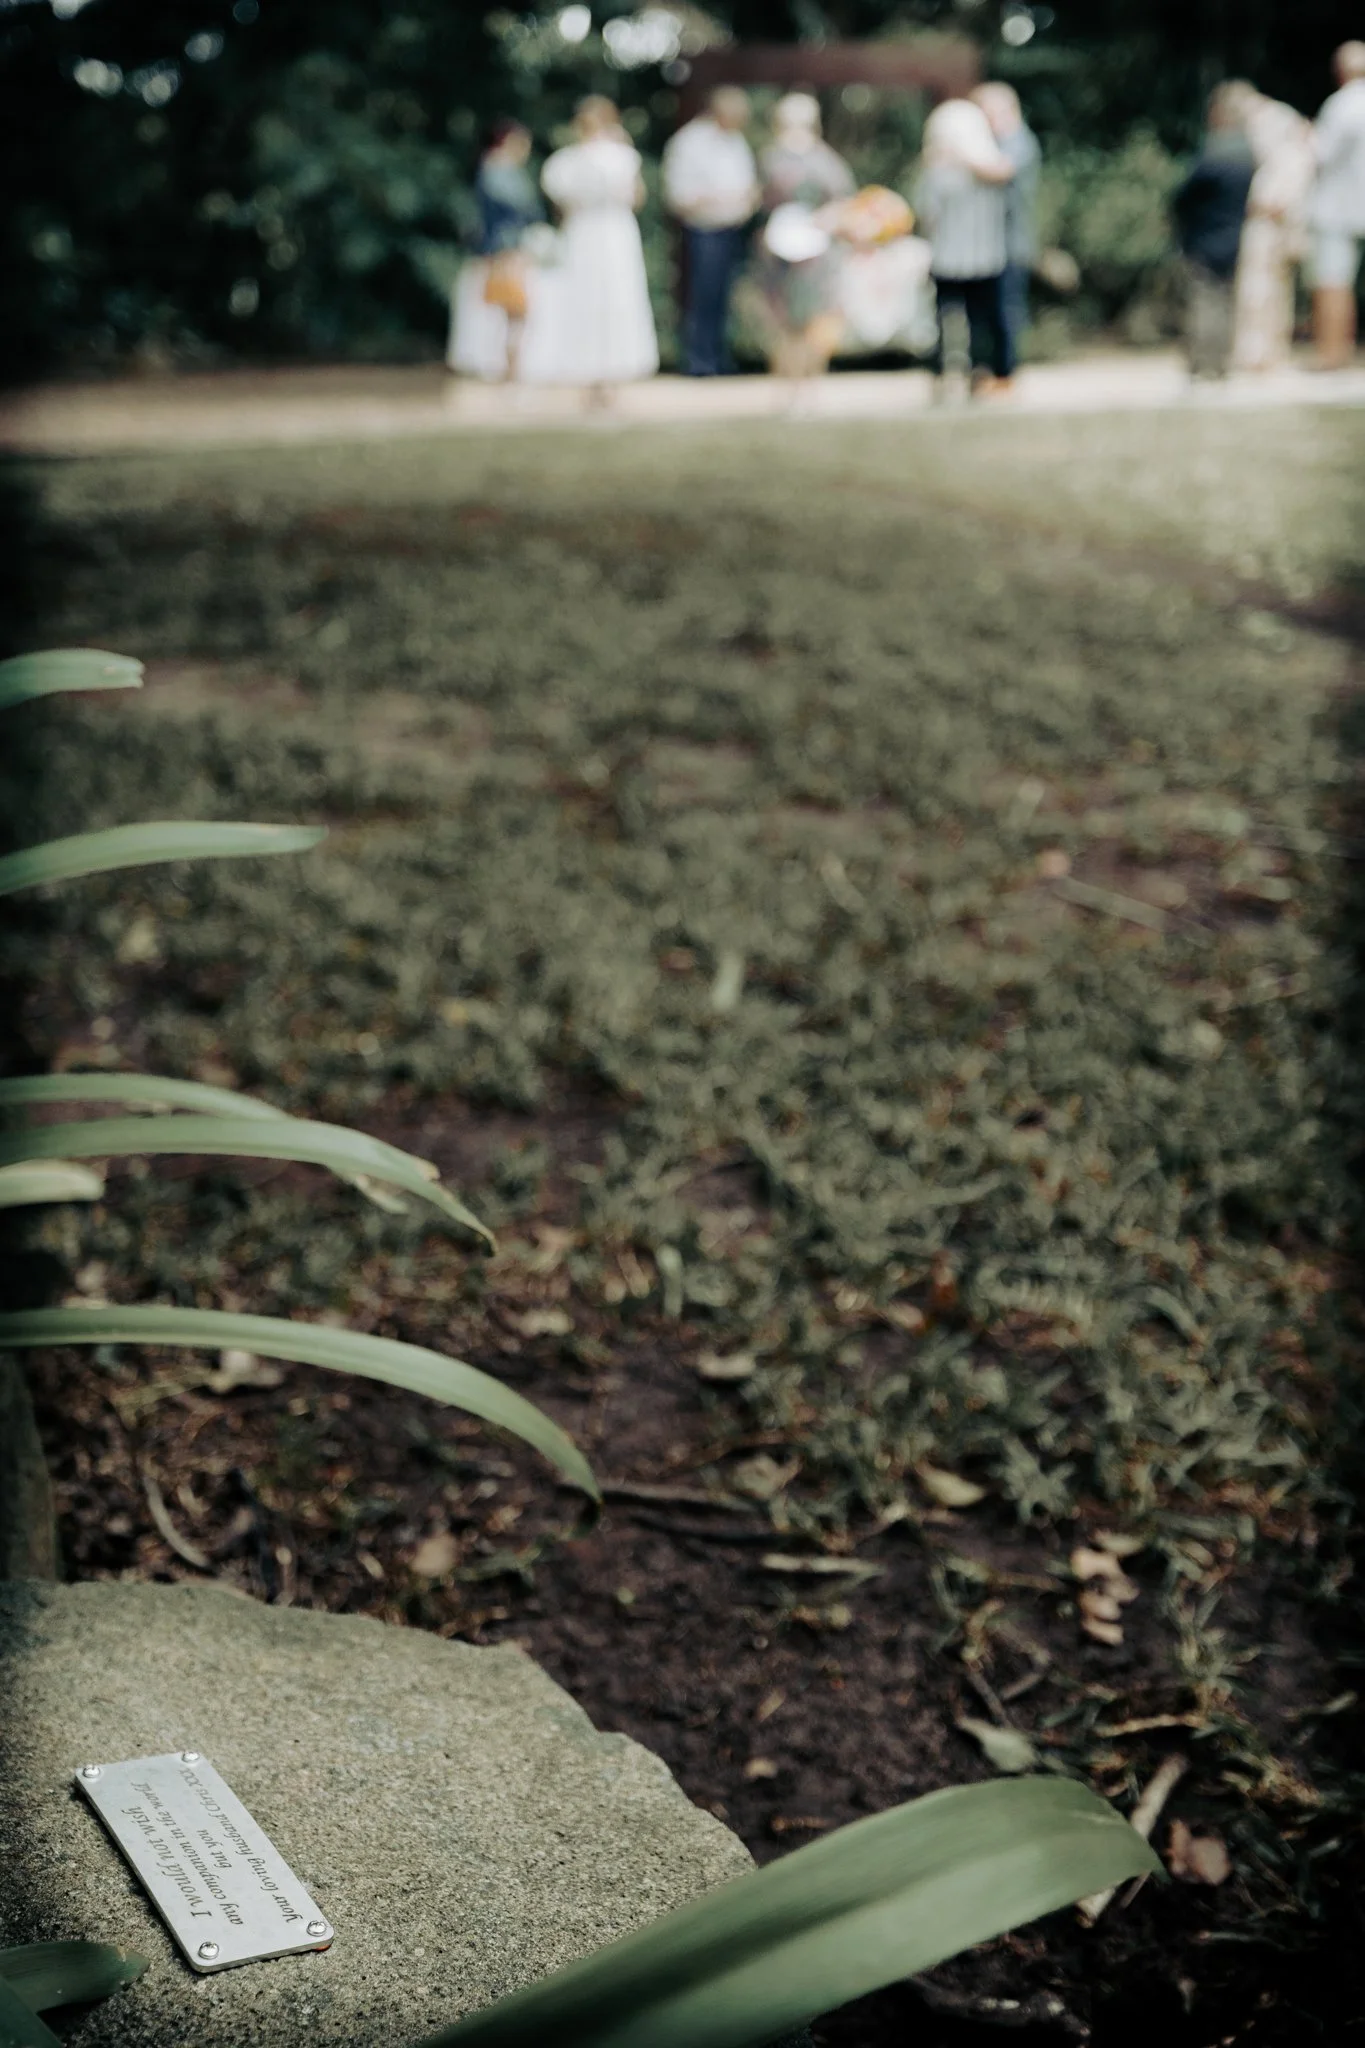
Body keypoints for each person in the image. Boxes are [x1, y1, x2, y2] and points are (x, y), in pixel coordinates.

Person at [540, 95, 659, 399]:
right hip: (599, 233)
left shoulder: (580, 160)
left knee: (602, 298)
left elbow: (564, 206)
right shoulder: (603, 158)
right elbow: (635, 198)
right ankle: (600, 378)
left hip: (597, 233)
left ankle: (601, 379)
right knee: (598, 299)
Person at [912, 99, 1014, 394]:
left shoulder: (962, 167)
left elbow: (926, 211)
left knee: (958, 320)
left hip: (965, 257)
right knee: (966, 321)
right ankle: (960, 374)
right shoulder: (975, 165)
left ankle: (965, 375)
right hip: (972, 258)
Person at [751, 94, 856, 381]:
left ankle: (809, 384)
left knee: (816, 322)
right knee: (782, 322)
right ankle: (787, 385)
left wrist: (824, 219)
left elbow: (844, 202)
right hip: (778, 251)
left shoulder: (824, 159)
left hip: (816, 253)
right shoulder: (770, 157)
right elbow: (757, 200)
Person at [662, 86, 760, 378]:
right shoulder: (689, 143)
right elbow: (679, 195)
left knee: (723, 297)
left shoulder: (736, 141)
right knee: (702, 297)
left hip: (733, 228)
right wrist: (718, 199)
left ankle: (719, 356)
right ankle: (698, 359)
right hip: (704, 230)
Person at [448, 120, 545, 382]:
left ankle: (509, 368)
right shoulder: (498, 170)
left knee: (512, 311)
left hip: (506, 247)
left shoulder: (499, 170)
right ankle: (506, 369)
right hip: (505, 249)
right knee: (511, 310)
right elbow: (522, 209)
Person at [1171, 84, 1255, 380]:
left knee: (1203, 302)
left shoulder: (1214, 151)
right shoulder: (1249, 152)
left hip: (1204, 236)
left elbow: (1184, 195)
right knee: (1226, 303)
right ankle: (1220, 364)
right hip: (1235, 236)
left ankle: (1201, 364)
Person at [1232, 86, 1316, 372]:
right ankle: (1266, 351)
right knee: (1273, 293)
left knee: (1260, 292)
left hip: (1270, 227)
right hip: (1277, 224)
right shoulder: (1292, 153)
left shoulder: (1282, 147)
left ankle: (1258, 353)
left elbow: (1273, 203)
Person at [972, 82, 1041, 372]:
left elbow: (999, 172)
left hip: (1011, 245)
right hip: (989, 246)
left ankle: (1006, 375)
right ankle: (988, 373)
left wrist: (954, 152)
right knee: (985, 315)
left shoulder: (1019, 142)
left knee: (1006, 313)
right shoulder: (993, 145)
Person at [1309, 41, 1365, 369]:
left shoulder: (1341, 105)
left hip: (1339, 207)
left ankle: (1333, 353)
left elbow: (1321, 154)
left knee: (1333, 281)